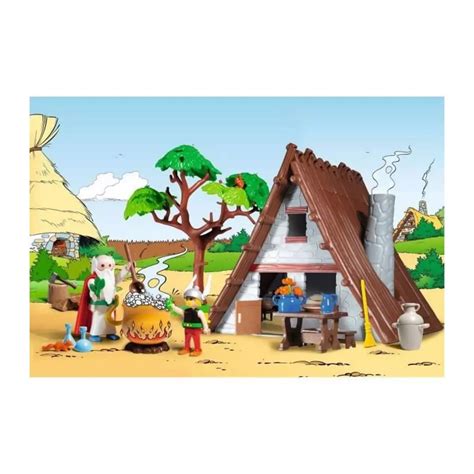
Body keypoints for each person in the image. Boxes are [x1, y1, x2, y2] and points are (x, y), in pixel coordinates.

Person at [74, 255, 131, 342]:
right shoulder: (93, 279)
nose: (106, 269)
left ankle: (110, 333)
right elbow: (91, 286)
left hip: (110, 304)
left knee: (109, 319)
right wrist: (95, 288)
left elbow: (118, 278)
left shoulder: (111, 278)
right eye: (103, 266)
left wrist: (126, 269)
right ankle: (95, 334)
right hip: (99, 304)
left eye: (109, 265)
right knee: (98, 319)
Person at [170, 284, 210, 357]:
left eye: (191, 299)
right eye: (187, 299)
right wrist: (173, 306)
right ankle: (186, 348)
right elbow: (179, 311)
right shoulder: (186, 311)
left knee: (196, 339)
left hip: (196, 329)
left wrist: (206, 328)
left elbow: (204, 320)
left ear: (198, 301)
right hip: (187, 328)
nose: (188, 301)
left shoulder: (199, 312)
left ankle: (197, 349)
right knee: (187, 339)